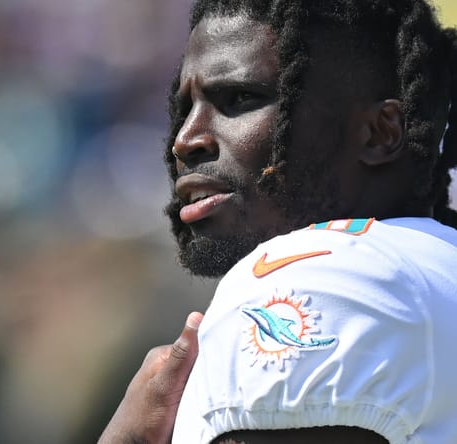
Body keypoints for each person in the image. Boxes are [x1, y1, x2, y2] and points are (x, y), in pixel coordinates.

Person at [99, 0, 457, 443]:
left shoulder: (325, 276)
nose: (185, 140)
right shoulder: (432, 263)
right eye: (185, 107)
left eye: (239, 99)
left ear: (380, 132)